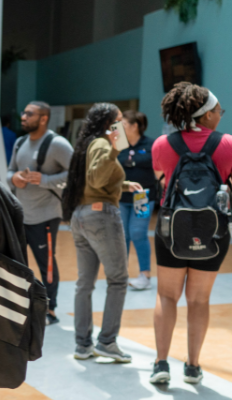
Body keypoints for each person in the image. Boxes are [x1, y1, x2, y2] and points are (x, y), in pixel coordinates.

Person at [149, 82, 232, 385]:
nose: (221, 116)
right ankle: (193, 367)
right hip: (214, 231)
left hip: (172, 229)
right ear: (206, 114)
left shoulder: (162, 144)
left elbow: (162, 181)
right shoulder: (229, 144)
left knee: (167, 296)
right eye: (218, 110)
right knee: (198, 301)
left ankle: (161, 364)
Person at [62, 102, 143, 363]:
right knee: (118, 280)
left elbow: (92, 181)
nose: (121, 123)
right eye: (118, 119)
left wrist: (125, 184)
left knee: (84, 283)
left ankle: (82, 345)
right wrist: (114, 149)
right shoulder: (103, 144)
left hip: (81, 216)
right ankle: (107, 342)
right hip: (101, 217)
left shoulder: (88, 143)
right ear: (109, 123)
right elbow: (97, 179)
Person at [8, 101, 73, 325]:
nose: (23, 117)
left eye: (29, 113)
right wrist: (13, 178)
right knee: (16, 264)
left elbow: (75, 174)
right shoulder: (20, 143)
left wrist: (45, 180)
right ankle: (19, 306)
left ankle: (50, 310)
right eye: (24, 112)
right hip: (20, 216)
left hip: (45, 216)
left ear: (43, 118)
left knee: (47, 265)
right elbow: (9, 172)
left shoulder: (57, 144)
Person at [116, 111, 156, 291]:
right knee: (122, 235)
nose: (120, 127)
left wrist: (132, 163)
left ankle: (145, 274)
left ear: (134, 126)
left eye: (123, 123)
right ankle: (120, 274)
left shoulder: (151, 144)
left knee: (138, 232)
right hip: (121, 197)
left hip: (143, 197)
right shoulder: (118, 144)